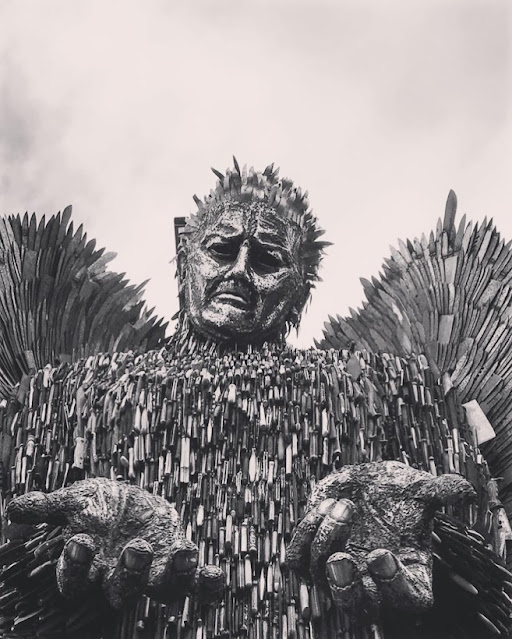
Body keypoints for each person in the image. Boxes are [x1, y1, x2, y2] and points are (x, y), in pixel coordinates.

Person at [2, 161, 511, 639]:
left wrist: (435, 550)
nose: (240, 271)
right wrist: (59, 557)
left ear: (299, 290)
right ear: (185, 261)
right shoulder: (70, 395)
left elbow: (497, 596)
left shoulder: (396, 390)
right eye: (222, 250)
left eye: (268, 258)